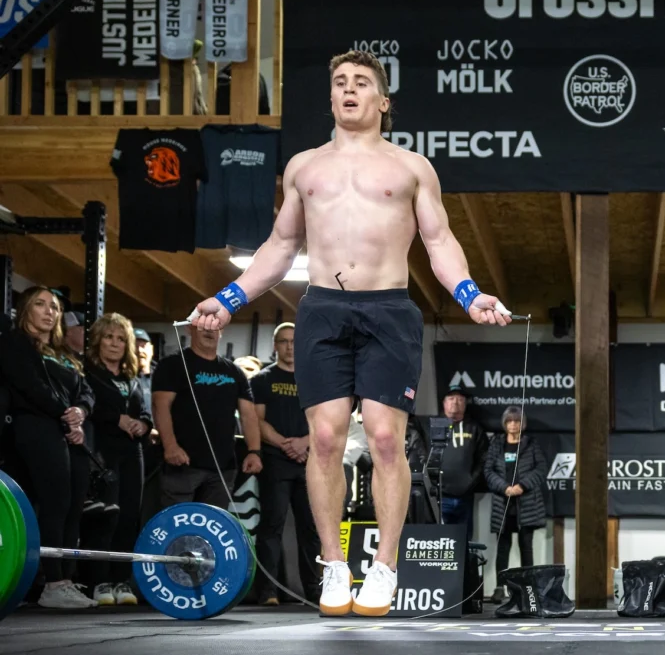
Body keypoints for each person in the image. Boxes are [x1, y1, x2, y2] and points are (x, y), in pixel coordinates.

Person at [186, 49, 512, 617]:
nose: (349, 89)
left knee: (385, 439)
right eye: (340, 82)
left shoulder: (412, 167)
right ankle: (334, 566)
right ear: (331, 96)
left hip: (389, 309)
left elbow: (439, 242)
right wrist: (228, 298)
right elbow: (280, 245)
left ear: (383, 101)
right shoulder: (304, 167)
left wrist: (469, 293)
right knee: (326, 438)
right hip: (323, 310)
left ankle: (384, 567)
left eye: (362, 82)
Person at [0, 286, 96, 608]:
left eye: (54, 307)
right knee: (53, 504)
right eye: (40, 304)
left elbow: (86, 390)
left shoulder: (63, 352)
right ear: (26, 309)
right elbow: (30, 385)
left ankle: (64, 580)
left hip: (68, 431)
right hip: (35, 428)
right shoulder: (14, 343)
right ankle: (51, 583)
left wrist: (80, 411)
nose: (49, 311)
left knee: (72, 507)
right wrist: (66, 416)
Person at [151, 325, 262, 509]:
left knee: (212, 524)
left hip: (223, 468)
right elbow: (160, 406)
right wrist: (170, 446)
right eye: (203, 326)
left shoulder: (234, 372)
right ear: (190, 329)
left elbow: (248, 415)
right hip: (182, 465)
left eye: (215, 326)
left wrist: (254, 452)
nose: (209, 331)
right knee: (177, 523)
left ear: (221, 331)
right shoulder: (172, 365)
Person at [83, 313, 152, 606]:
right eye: (109, 337)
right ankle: (98, 581)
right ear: (98, 340)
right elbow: (88, 407)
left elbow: (144, 412)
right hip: (102, 453)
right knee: (105, 517)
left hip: (133, 453)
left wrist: (143, 424)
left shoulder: (131, 378)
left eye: (121, 339)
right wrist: (117, 419)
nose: (115, 343)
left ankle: (121, 579)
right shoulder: (87, 373)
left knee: (128, 518)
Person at [251, 322, 321, 605]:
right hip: (275, 462)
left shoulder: (315, 380)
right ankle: (267, 591)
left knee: (312, 529)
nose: (290, 346)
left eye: (294, 341)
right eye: (284, 341)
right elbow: (256, 421)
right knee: (271, 526)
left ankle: (314, 592)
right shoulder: (261, 379)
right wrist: (285, 444)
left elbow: (327, 420)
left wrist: (305, 442)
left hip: (310, 461)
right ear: (275, 345)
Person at [484, 405, 547, 602]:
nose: (513, 425)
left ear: (522, 424)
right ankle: (499, 587)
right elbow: (488, 470)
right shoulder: (496, 444)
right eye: (509, 421)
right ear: (504, 423)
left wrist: (522, 486)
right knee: (502, 548)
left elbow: (541, 469)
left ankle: (529, 588)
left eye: (517, 421)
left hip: (526, 505)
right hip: (502, 504)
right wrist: (505, 487)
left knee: (526, 547)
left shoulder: (531, 444)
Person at [438, 384, 488, 541]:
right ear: (444, 403)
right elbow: (423, 454)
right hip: (439, 496)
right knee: (439, 541)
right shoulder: (434, 426)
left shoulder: (474, 428)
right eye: (451, 398)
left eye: (460, 399)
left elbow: (484, 458)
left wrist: (471, 481)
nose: (455, 402)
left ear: (465, 404)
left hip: (465, 497)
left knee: (464, 542)